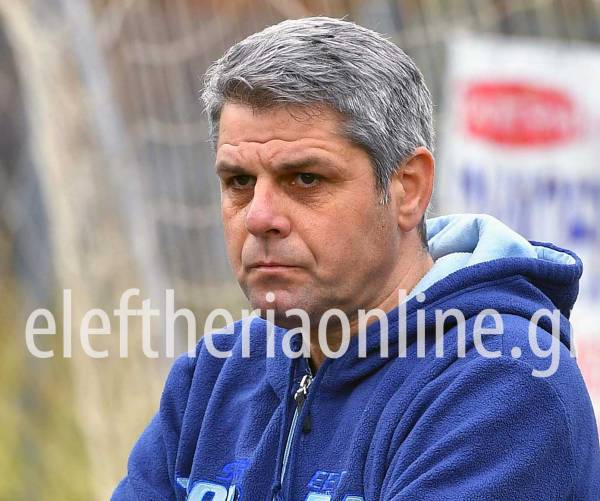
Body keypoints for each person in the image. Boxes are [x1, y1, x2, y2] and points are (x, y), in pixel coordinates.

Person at [112, 17, 600, 500]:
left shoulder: (503, 383)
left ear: (408, 189)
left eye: (305, 179)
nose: (259, 218)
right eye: (239, 182)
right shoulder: (214, 375)